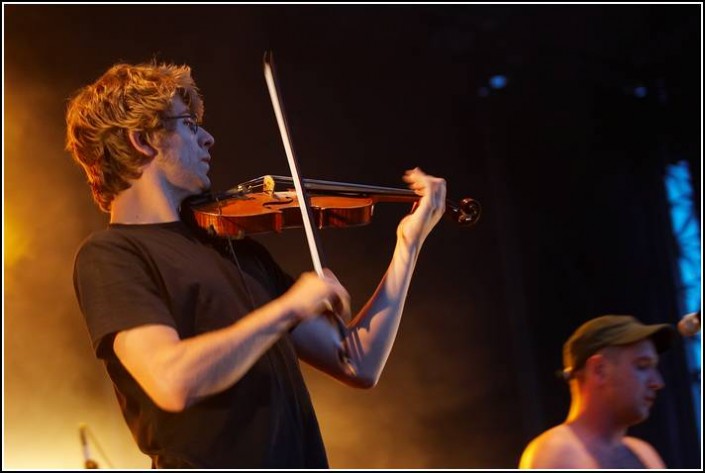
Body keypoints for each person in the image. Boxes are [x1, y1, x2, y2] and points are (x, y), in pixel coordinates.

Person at [65, 61, 447, 468]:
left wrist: (408, 244)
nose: (208, 138)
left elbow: (358, 362)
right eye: (189, 126)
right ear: (142, 139)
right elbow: (172, 381)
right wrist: (288, 308)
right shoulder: (112, 255)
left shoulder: (233, 247)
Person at [518, 314, 675, 469]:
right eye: (642, 366)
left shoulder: (645, 453)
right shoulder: (557, 454)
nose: (657, 382)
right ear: (599, 370)